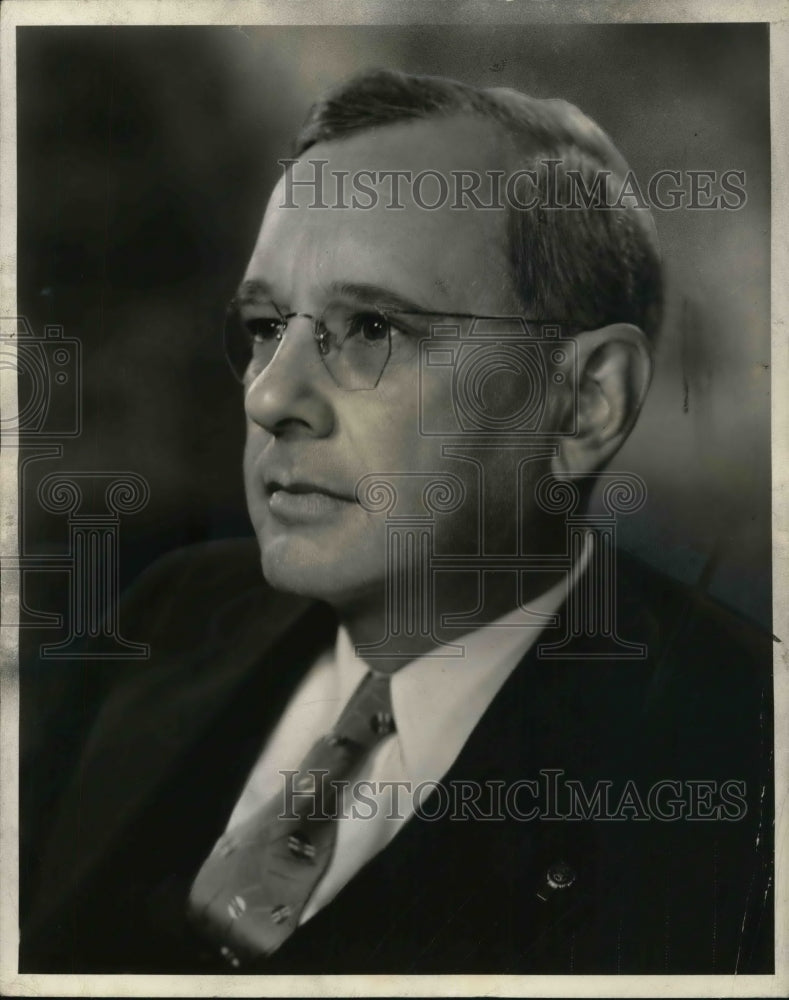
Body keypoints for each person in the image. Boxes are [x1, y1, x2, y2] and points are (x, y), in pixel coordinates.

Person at [20, 69, 773, 975]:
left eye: (372, 325)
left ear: (583, 403)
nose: (268, 398)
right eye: (265, 327)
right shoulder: (163, 621)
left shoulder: (741, 763)